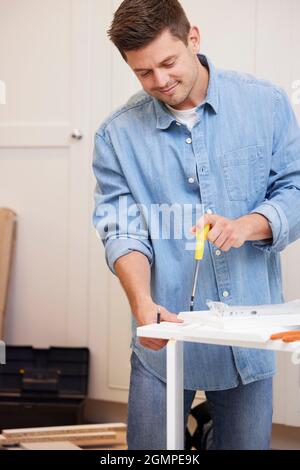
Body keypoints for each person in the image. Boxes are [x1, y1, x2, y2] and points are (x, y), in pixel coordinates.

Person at [92, 0, 300, 450]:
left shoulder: (265, 105)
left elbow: (295, 189)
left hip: (248, 341)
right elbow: (121, 229)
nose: (160, 82)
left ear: (193, 39)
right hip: (161, 337)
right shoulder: (116, 135)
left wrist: (251, 224)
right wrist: (142, 303)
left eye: (168, 63)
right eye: (144, 73)